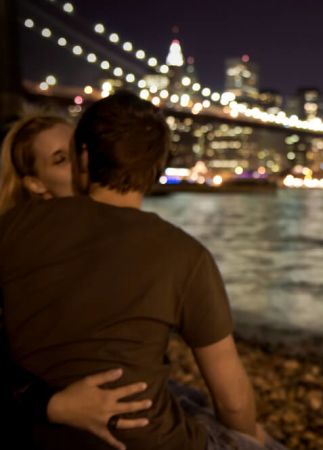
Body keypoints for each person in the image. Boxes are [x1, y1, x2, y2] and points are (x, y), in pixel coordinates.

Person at [0, 93, 285, 450]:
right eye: (59, 159)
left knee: (190, 399)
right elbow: (234, 401)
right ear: (158, 168)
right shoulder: (185, 254)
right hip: (148, 439)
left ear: (85, 157)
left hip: (44, 426)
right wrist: (247, 440)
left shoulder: (11, 227)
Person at [0, 115, 154, 450]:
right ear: (35, 184)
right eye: (61, 159)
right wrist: (55, 406)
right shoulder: (19, 248)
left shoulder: (119, 237)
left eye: (81, 152)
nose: (84, 165)